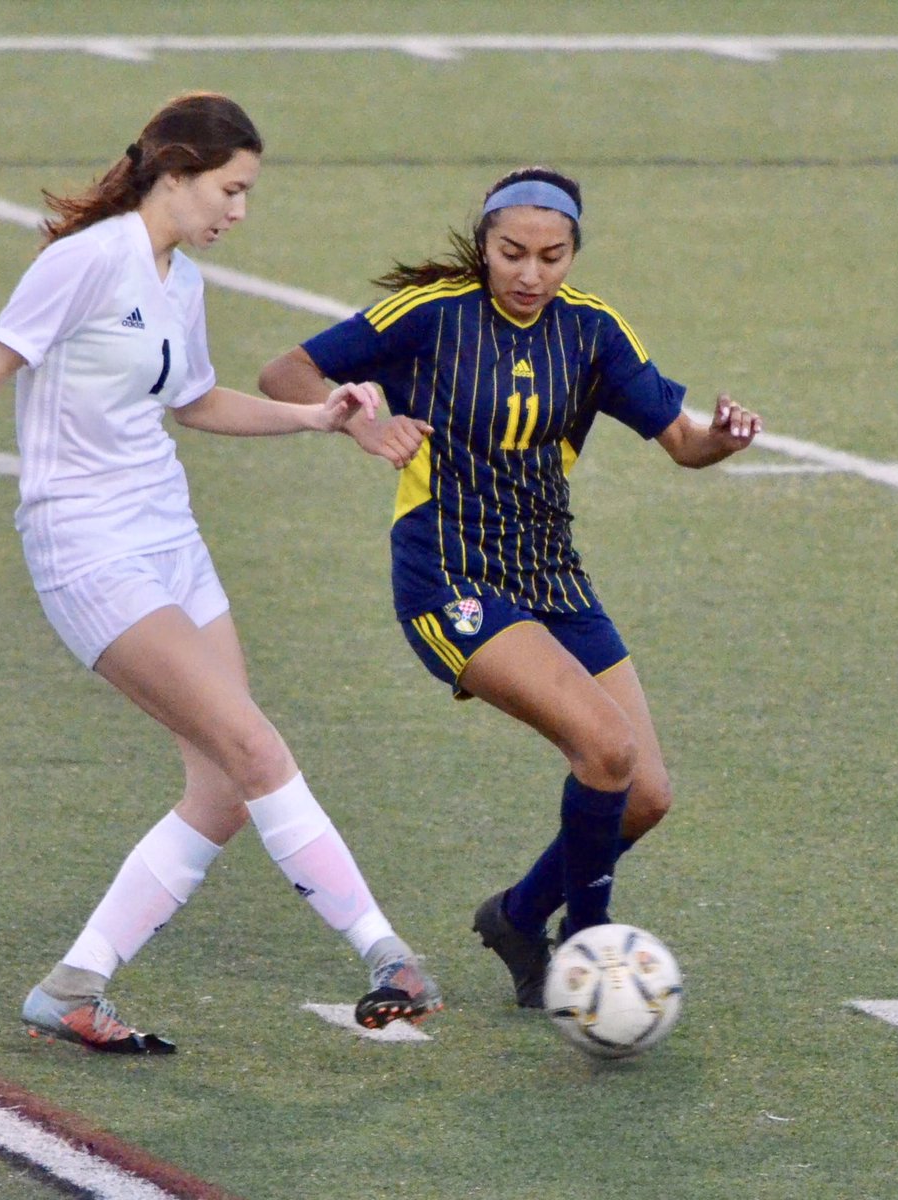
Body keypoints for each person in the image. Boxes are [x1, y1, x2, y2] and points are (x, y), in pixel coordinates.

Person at [0, 91, 442, 1052]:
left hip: (171, 540)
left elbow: (194, 402)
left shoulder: (180, 277)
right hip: (86, 547)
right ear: (177, 172)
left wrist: (320, 420)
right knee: (258, 748)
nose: (239, 210)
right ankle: (384, 952)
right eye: (230, 190)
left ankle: (72, 988)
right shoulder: (84, 260)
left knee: (227, 785)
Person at [259, 166, 763, 1008]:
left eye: (551, 256)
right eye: (512, 253)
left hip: (552, 578)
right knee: (603, 752)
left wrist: (725, 439)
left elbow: (681, 440)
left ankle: (519, 917)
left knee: (643, 796)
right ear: (484, 245)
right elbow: (288, 373)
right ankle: (591, 954)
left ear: (573, 253)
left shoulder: (592, 331)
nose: (530, 274)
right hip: (450, 577)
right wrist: (363, 422)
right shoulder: (429, 315)